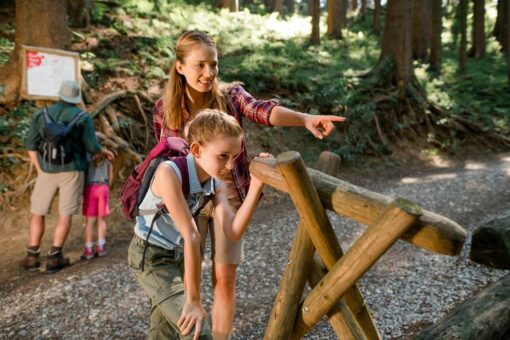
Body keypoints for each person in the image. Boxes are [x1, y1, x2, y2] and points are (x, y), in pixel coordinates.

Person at [152, 29, 346, 337]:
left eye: (213, 64)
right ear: (180, 67)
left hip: (229, 199)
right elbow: (165, 160)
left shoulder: (230, 96)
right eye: (200, 65)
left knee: (224, 279)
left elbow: (263, 111)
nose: (208, 73)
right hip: (190, 202)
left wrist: (305, 118)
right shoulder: (165, 109)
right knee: (187, 282)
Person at [128, 109, 268, 340]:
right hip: (151, 257)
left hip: (177, 255)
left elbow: (232, 232)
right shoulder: (169, 173)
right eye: (223, 156)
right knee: (195, 330)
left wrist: (256, 188)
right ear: (196, 149)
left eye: (234, 156)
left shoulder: (216, 184)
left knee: (164, 331)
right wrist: (193, 301)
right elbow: (191, 235)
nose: (231, 166)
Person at [21, 80, 114, 273]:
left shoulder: (41, 115)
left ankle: (32, 257)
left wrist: (40, 169)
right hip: (72, 171)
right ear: (75, 98)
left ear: (60, 95)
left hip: (46, 170)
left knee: (37, 212)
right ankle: (54, 258)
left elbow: (31, 145)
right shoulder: (82, 117)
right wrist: (104, 152)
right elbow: (92, 147)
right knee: (65, 213)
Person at [80, 150, 114, 260]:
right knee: (101, 220)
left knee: (90, 221)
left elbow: (83, 176)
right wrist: (108, 188)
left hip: (90, 189)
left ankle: (89, 249)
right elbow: (111, 178)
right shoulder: (107, 160)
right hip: (103, 188)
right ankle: (101, 247)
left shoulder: (86, 159)